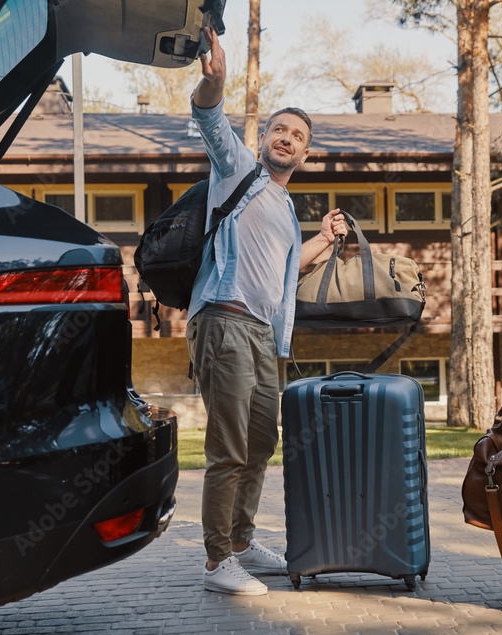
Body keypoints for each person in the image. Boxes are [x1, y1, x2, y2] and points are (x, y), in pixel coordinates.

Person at [188, 26, 346, 596]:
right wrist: (216, 83)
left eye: (297, 135)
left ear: (306, 153)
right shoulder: (236, 170)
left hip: (264, 336)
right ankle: (215, 564)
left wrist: (324, 239)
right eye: (279, 129)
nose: (286, 138)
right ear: (263, 138)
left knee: (259, 444)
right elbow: (210, 120)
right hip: (225, 320)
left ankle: (240, 541)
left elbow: (285, 271)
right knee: (228, 446)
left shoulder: (285, 205)